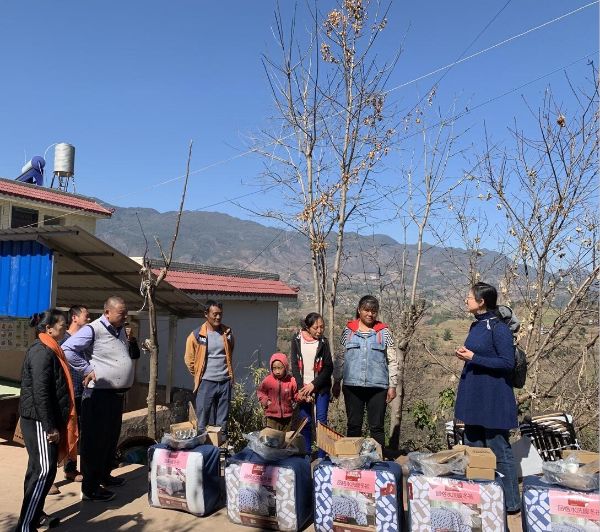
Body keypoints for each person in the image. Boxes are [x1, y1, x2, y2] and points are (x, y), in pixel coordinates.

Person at [454, 282, 520, 514]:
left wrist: (473, 356)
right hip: (474, 396)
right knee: (473, 448)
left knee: (498, 450)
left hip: (493, 399)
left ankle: (511, 503)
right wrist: (468, 356)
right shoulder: (477, 325)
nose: (466, 300)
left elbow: (507, 363)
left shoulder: (499, 328)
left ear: (481, 302)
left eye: (469, 297)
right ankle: (480, 496)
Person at [62, 296, 133, 502]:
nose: (125, 316)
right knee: (94, 442)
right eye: (121, 313)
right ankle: (90, 489)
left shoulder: (120, 330)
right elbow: (68, 350)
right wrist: (87, 369)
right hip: (98, 395)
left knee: (110, 439)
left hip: (115, 394)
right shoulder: (93, 329)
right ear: (107, 312)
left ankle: (104, 476)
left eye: (125, 312)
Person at [16, 310, 78, 532]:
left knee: (38, 469)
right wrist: (50, 426)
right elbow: (41, 392)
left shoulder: (49, 348)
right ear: (49, 328)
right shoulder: (42, 351)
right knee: (44, 470)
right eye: (62, 325)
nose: (65, 328)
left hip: (42, 419)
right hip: (40, 421)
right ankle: (26, 526)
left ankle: (36, 514)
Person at [332, 295, 397, 448]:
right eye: (366, 310)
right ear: (359, 310)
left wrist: (392, 385)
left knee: (377, 427)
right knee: (354, 425)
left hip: (378, 387)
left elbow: (393, 360)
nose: (370, 314)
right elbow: (340, 357)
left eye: (373, 311)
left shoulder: (384, 332)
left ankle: (379, 462)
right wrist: (336, 381)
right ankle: (352, 459)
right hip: (352, 386)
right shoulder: (348, 331)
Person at [184, 300, 234, 438]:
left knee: (222, 422)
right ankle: (202, 449)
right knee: (202, 421)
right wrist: (200, 375)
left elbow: (229, 353)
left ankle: (220, 450)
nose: (218, 317)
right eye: (215, 314)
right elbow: (189, 360)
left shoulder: (227, 333)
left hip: (225, 382)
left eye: (220, 314)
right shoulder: (196, 335)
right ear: (206, 314)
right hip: (206, 383)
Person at [289, 312, 333, 458]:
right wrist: (302, 388)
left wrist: (314, 385)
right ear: (307, 327)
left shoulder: (324, 343)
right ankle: (306, 453)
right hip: (303, 387)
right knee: (305, 420)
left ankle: (321, 455)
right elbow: (295, 365)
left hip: (320, 387)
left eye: (322, 327)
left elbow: (328, 367)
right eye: (316, 327)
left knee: (321, 421)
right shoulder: (297, 340)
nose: (319, 330)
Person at [59, 305, 90, 485]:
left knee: (77, 433)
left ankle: (71, 468)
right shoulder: (64, 341)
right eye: (86, 316)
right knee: (65, 432)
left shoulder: (84, 341)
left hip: (82, 392)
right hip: (68, 393)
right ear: (75, 318)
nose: (89, 319)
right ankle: (47, 477)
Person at [257, 353, 298, 432]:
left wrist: (302, 397)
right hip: (272, 418)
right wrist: (265, 401)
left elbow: (295, 394)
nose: (277, 371)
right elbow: (260, 392)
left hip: (287, 418)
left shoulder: (291, 380)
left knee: (285, 440)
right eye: (274, 368)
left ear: (285, 367)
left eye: (280, 368)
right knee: (272, 440)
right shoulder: (267, 381)